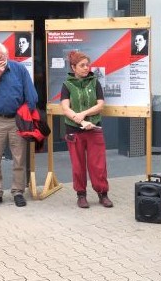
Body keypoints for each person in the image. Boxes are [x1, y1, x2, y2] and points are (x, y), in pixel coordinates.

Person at [0, 43, 38, 208]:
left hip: (16, 120)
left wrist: (27, 114)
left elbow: (31, 94)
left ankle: (18, 192)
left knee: (19, 157)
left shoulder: (19, 69)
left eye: (0, 57)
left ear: (7, 55)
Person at [60, 51, 113, 208]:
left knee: (98, 164)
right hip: (74, 130)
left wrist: (84, 114)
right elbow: (65, 108)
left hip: (94, 128)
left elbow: (100, 104)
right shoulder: (67, 85)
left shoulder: (94, 82)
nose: (86, 68)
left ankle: (103, 194)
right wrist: (79, 120)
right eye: (82, 65)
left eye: (87, 65)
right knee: (78, 165)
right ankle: (81, 195)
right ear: (73, 67)